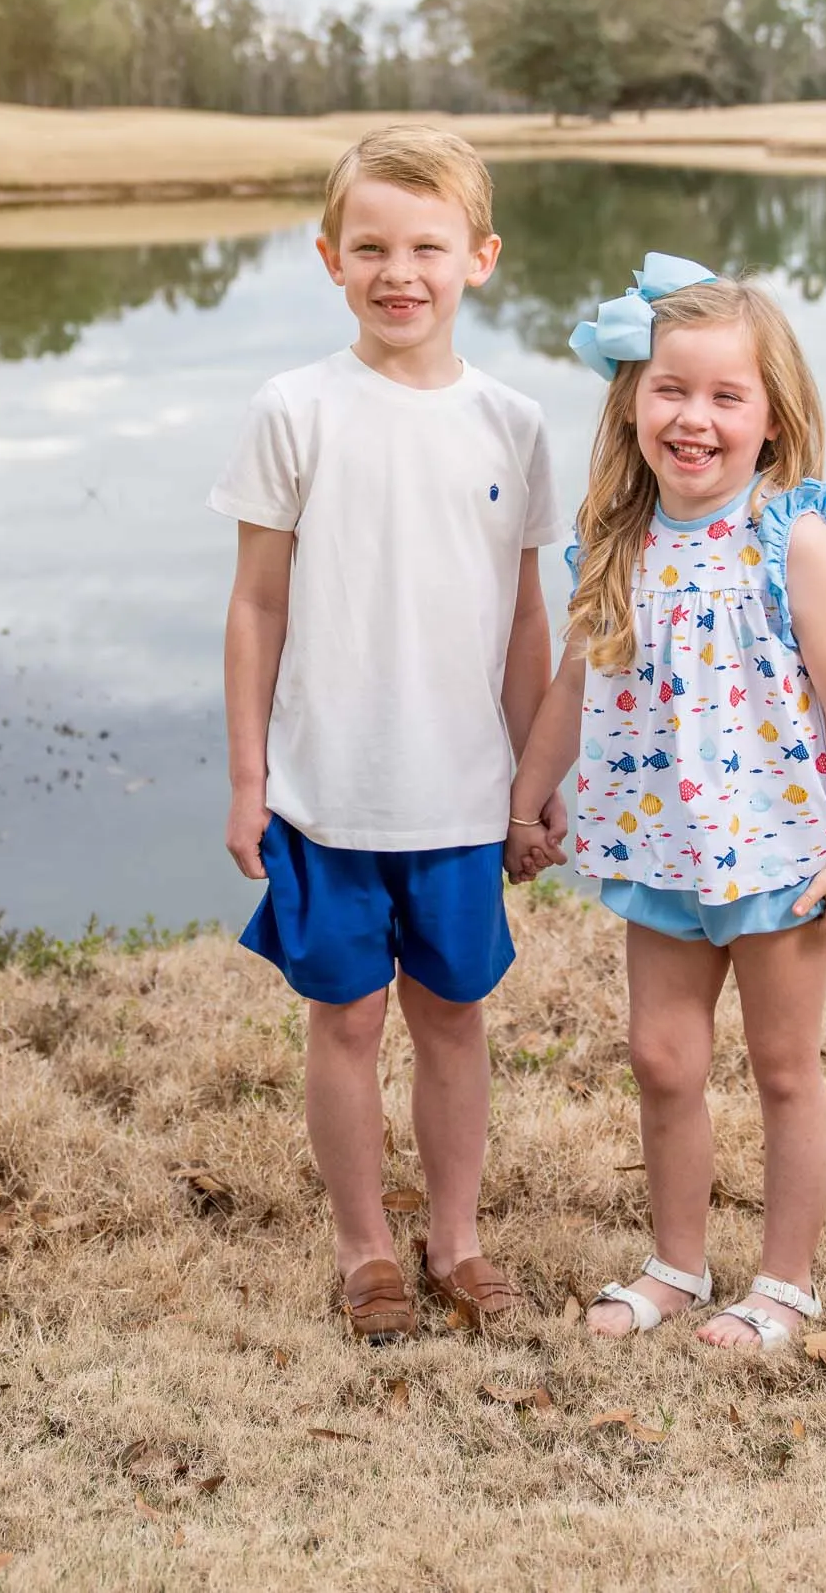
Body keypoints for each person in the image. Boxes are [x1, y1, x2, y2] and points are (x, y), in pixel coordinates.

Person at [505, 253, 826, 1352]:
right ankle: (675, 1262)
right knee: (663, 1059)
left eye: (725, 396)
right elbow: (578, 683)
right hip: (657, 847)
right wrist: (527, 800)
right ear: (631, 397)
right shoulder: (617, 547)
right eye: (670, 388)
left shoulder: (795, 540)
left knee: (783, 1067)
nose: (693, 418)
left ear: (770, 420)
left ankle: (784, 1282)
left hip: (779, 851)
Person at [209, 125, 563, 1343]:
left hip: (461, 795)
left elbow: (526, 622)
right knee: (346, 1018)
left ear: (480, 259)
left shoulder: (512, 423)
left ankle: (454, 1237)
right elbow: (256, 606)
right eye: (370, 247)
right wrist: (250, 775)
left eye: (426, 246)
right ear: (329, 257)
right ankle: (364, 1244)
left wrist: (534, 779)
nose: (397, 271)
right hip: (326, 791)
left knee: (452, 1016)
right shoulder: (294, 409)